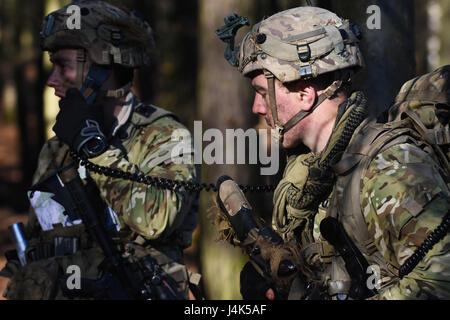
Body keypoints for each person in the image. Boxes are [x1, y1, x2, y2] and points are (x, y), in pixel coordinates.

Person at [219, 6, 450, 300]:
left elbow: (441, 280)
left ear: (305, 94)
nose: (257, 108)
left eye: (264, 93)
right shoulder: (309, 176)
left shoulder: (387, 167)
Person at [0, 0, 200, 300]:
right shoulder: (57, 147)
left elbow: (156, 220)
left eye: (63, 65)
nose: (52, 80)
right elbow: (40, 236)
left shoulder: (164, 136)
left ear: (102, 68)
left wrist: (94, 149)